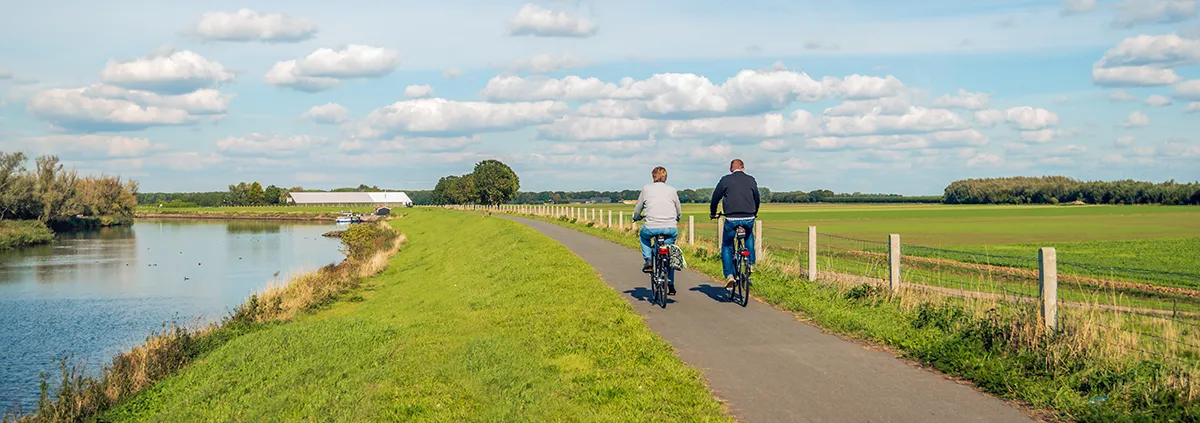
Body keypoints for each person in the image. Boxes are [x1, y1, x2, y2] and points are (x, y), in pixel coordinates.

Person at [709, 159, 760, 288]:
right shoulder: (751, 179)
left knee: (726, 245)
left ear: (731, 169)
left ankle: (729, 276)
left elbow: (715, 198)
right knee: (748, 236)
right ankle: (751, 263)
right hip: (749, 217)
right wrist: (755, 212)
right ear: (743, 168)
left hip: (731, 218)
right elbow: (757, 198)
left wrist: (713, 213)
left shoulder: (725, 180)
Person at [632, 166, 682, 295]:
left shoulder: (646, 189)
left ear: (653, 177)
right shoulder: (672, 190)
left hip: (651, 227)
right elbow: (678, 208)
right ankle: (670, 284)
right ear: (666, 177)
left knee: (644, 237)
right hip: (670, 228)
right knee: (669, 253)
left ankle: (648, 259)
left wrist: (636, 217)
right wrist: (678, 217)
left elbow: (638, 207)